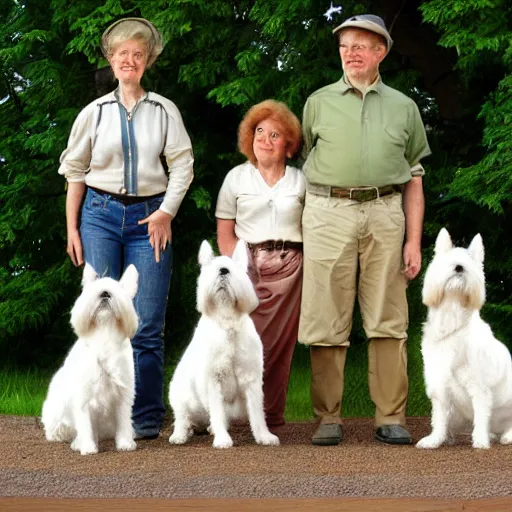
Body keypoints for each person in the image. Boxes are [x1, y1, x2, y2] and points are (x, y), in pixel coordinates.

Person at [58, 18, 194, 440]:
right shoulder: (93, 113)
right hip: (98, 214)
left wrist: (166, 212)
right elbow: (75, 172)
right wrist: (73, 230)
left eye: (137, 54)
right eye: (122, 55)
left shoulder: (164, 110)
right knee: (97, 318)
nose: (129, 61)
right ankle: (94, 417)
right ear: (111, 61)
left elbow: (183, 165)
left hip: (150, 219)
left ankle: (146, 416)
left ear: (147, 61)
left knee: (147, 320)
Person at [299, 14, 431, 446]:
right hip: (327, 210)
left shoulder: (404, 107)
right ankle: (327, 419)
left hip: (386, 211)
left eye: (361, 46)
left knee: (388, 317)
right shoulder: (317, 102)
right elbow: (300, 160)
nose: (351, 53)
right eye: (344, 46)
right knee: (325, 315)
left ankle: (390, 416)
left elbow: (414, 177)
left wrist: (414, 240)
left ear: (381, 52)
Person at [216, 100, 305, 430]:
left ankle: (269, 416)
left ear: (289, 145)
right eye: (259, 132)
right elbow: (225, 232)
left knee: (280, 345)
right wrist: (238, 270)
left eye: (275, 134)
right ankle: (230, 413)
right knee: (243, 340)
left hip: (291, 266)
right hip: (247, 265)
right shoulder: (236, 178)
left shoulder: (300, 181)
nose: (265, 139)